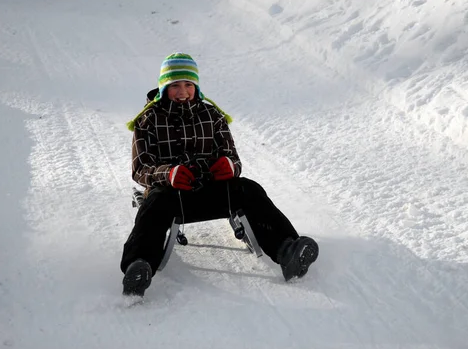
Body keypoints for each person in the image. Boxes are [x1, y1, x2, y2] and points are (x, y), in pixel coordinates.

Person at [121, 52, 319, 296]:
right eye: (175, 85)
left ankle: (287, 250)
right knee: (153, 205)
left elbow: (233, 158)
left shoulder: (212, 116)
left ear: (196, 87)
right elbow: (140, 168)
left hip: (213, 192)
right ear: (164, 88)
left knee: (249, 189)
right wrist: (168, 174)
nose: (182, 91)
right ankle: (138, 267)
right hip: (173, 196)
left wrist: (229, 166)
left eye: (188, 85)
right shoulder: (147, 120)